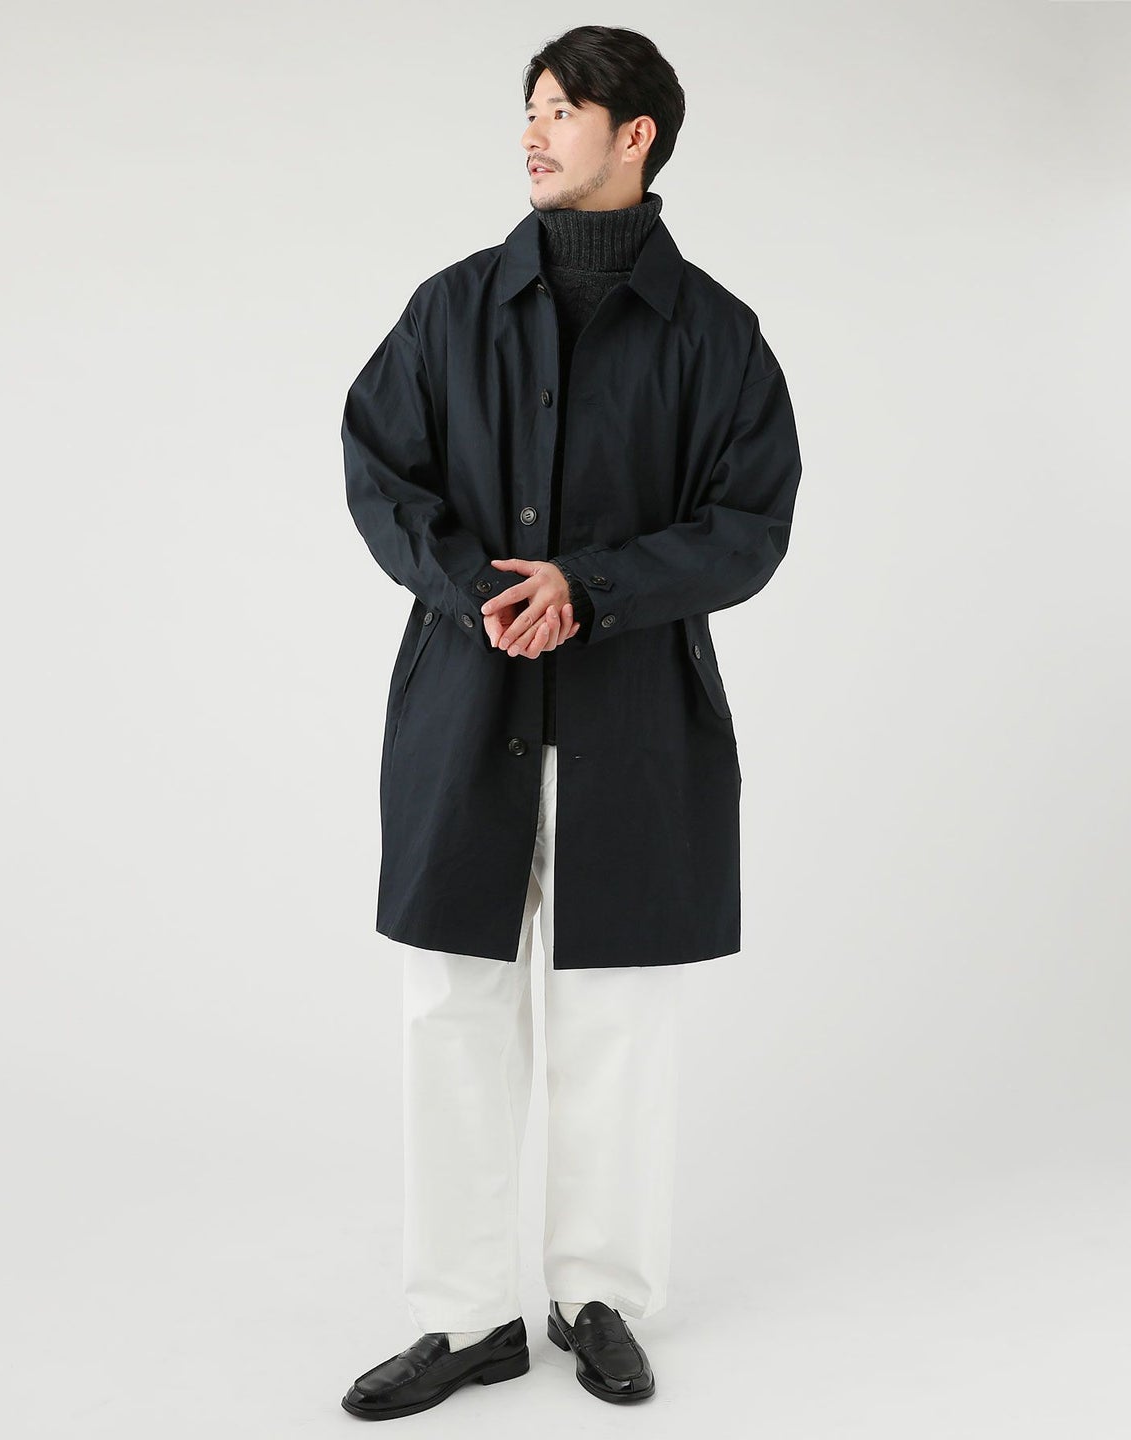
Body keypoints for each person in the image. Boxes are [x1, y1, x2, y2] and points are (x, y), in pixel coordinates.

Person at [339, 23, 802, 1419]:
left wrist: (589, 589)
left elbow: (750, 525)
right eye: (530, 108)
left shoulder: (717, 335)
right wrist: (484, 589)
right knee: (451, 1010)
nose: (534, 132)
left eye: (560, 109)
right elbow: (379, 471)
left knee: (618, 1020)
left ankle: (598, 1299)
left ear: (635, 134)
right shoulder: (451, 309)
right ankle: (465, 1319)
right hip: (464, 709)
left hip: (635, 722)